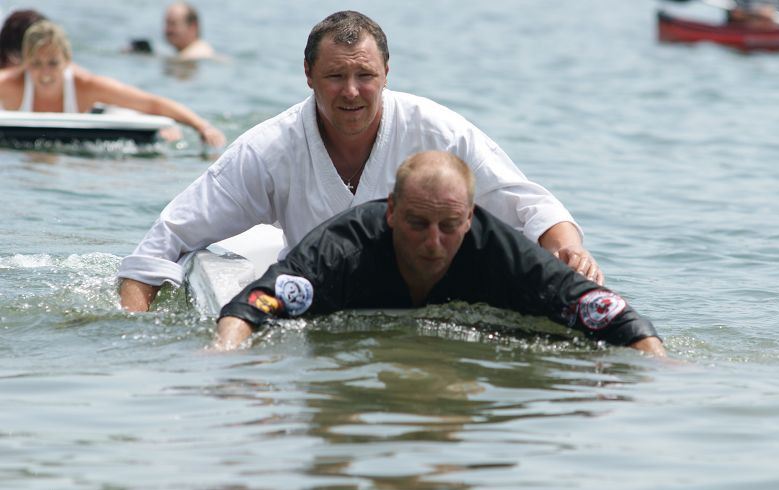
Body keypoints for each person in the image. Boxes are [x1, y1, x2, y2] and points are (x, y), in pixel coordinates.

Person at [118, 10, 604, 313]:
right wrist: (133, 337)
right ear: (308, 75)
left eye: (365, 75)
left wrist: (570, 253)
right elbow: (166, 239)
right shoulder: (269, 150)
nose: (351, 91)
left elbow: (527, 204)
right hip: (322, 300)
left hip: (429, 298)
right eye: (335, 75)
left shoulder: (437, 130)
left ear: (387, 73)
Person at [215, 151, 666, 357]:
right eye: (417, 224)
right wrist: (224, 353)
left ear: (469, 218)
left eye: (449, 227)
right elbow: (258, 302)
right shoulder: (344, 247)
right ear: (391, 211)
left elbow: (605, 312)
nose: (433, 242)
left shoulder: (497, 250)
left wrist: (660, 368)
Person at [0, 20, 225, 146]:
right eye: (36, 64)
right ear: (26, 63)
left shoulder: (85, 85)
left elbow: (152, 103)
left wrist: (201, 126)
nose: (44, 73)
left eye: (53, 63)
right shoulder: (9, 84)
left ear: (67, 62)